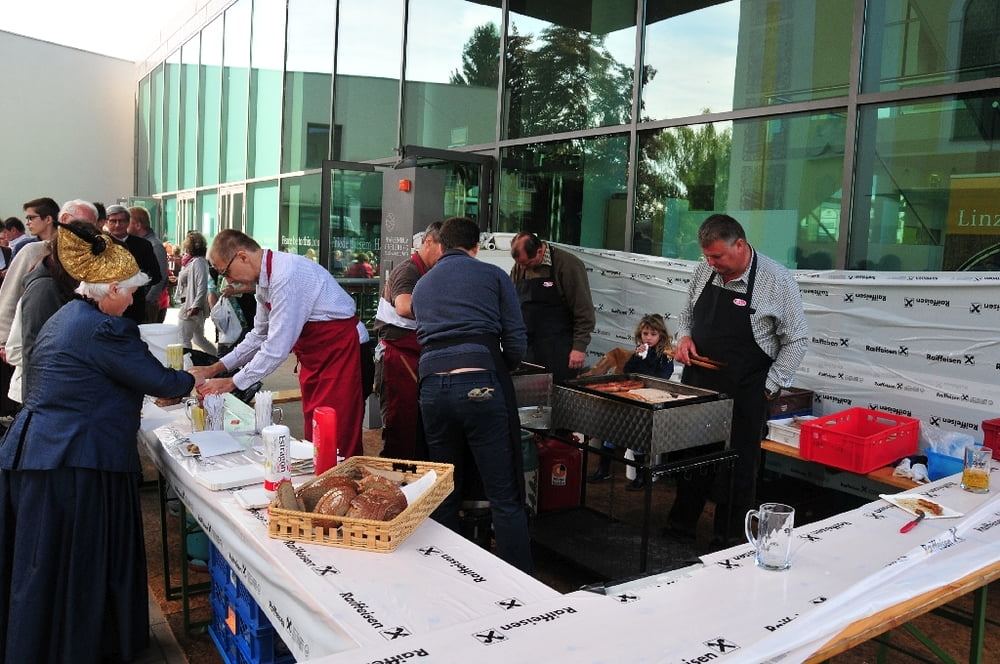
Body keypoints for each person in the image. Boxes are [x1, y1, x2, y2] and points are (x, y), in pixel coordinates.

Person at [0, 222, 196, 663]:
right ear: (111, 289)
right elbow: (159, 380)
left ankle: (43, 643)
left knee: (44, 562)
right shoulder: (106, 329)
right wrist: (193, 378)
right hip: (76, 459)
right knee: (78, 560)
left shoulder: (68, 315)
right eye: (130, 292)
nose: (132, 301)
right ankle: (78, 647)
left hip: (43, 450)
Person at [667, 214, 808, 546]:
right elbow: (686, 313)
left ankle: (729, 540)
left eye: (717, 256)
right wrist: (684, 337)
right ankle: (679, 528)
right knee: (692, 459)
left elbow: (797, 340)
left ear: (740, 245)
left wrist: (769, 386)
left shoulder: (777, 280)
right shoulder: (705, 270)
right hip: (700, 381)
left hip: (747, 387)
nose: (711, 263)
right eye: (707, 256)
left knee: (739, 468)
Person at [412, 217, 532, 573]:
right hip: (481, 383)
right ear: (476, 247)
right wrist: (500, 367)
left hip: (432, 388)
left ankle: (450, 574)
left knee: (445, 488)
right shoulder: (494, 276)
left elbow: (424, 336)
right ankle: (517, 579)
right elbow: (516, 339)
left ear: (441, 245)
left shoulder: (422, 284)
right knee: (504, 494)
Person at [191, 230, 364, 460]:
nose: (229, 281)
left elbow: (276, 348)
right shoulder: (264, 281)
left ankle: (340, 477)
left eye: (226, 272)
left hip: (341, 353)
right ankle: (320, 474)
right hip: (316, 358)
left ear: (243, 257)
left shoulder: (286, 276)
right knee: (316, 428)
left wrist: (233, 382)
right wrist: (215, 368)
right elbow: (258, 335)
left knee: (336, 432)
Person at [373, 221, 443, 459]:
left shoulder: (431, 272)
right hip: (397, 359)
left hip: (416, 357)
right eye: (443, 249)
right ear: (428, 242)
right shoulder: (408, 271)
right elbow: (403, 306)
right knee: (400, 427)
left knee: (418, 429)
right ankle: (395, 478)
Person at [587, 313, 674, 491]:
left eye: (653, 334)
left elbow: (661, 378)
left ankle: (641, 476)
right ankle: (603, 469)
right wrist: (636, 357)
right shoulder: (639, 351)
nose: (648, 338)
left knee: (637, 438)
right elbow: (627, 371)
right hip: (631, 396)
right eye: (645, 334)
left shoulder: (666, 356)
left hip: (648, 399)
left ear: (661, 335)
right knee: (611, 432)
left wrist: (648, 358)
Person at [509, 232, 595, 383]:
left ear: (539, 252)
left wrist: (579, 347)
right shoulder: (520, 267)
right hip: (528, 348)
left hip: (559, 348)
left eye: (526, 263)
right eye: (519, 264)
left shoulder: (568, 265)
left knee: (558, 391)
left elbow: (584, 311)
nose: (522, 267)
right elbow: (511, 304)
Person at [105, 205, 162, 324]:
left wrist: (135, 282)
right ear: (106, 222)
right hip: (105, 306)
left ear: (128, 222)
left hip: (133, 307)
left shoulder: (143, 245)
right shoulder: (100, 244)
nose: (117, 225)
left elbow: (156, 275)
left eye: (121, 221)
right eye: (113, 221)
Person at [176, 231, 217, 355]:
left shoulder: (198, 262)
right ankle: (217, 359)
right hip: (191, 304)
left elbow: (202, 286)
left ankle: (187, 363)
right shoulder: (192, 261)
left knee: (183, 339)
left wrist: (195, 306)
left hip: (190, 306)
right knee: (198, 339)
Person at [127, 206, 170, 323]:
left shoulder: (154, 246)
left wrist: (147, 301)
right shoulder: (142, 244)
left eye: (128, 223)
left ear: (138, 225)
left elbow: (160, 278)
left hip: (149, 306)